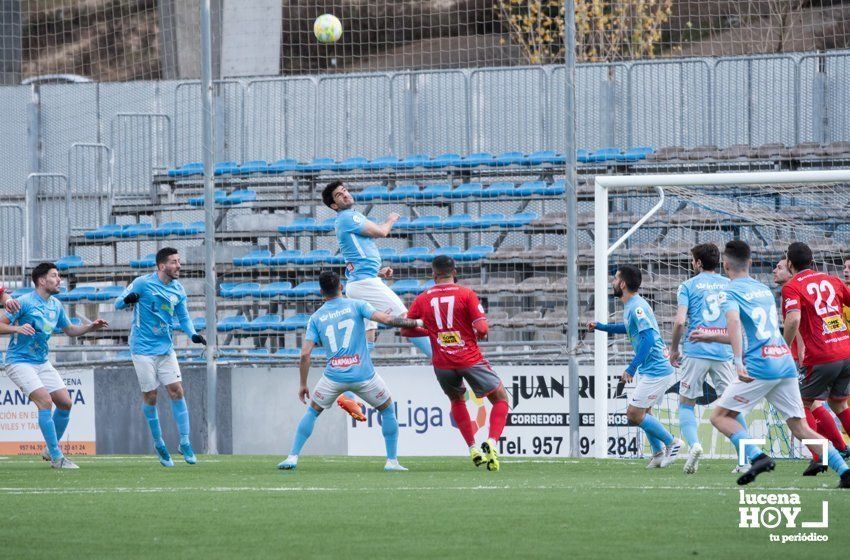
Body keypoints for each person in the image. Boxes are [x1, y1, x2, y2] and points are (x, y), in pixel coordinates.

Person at [695, 240, 849, 487]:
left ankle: (758, 457)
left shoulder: (729, 292)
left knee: (720, 417)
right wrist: (711, 335)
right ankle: (844, 470)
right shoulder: (763, 290)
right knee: (800, 427)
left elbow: (734, 324)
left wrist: (737, 361)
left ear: (725, 265)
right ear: (751, 263)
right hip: (784, 361)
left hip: (760, 365)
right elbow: (753, 331)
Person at [277, 271, 424, 472]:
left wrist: (303, 384)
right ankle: (392, 461)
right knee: (387, 410)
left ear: (321, 292)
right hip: (364, 375)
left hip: (333, 377)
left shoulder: (316, 317)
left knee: (312, 412)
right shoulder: (357, 304)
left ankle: (292, 457)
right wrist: (416, 322)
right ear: (341, 287)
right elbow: (387, 320)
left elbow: (305, 354)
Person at [399, 255, 510, 471]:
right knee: (500, 398)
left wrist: (431, 330)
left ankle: (472, 447)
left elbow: (405, 329)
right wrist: (473, 332)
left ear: (433, 274)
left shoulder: (423, 298)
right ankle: (492, 442)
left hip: (442, 362)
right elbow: (483, 329)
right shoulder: (466, 294)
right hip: (469, 358)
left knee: (457, 400)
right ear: (455, 272)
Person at [0, 262, 108, 469]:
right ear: (41, 280)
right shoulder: (24, 302)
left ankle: (50, 449)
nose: (59, 280)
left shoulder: (55, 305)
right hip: (19, 362)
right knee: (45, 401)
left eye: (59, 276)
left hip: (41, 362)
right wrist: (17, 328)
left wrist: (90, 327)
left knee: (65, 403)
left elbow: (69, 330)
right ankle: (57, 458)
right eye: (54, 276)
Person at [115, 247, 207, 467]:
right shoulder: (142, 283)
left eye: (179, 261)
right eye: (174, 262)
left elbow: (183, 317)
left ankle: (184, 441)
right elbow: (118, 303)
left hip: (165, 349)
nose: (179, 266)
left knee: (177, 390)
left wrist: (193, 334)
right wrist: (129, 299)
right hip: (142, 349)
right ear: (161, 266)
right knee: (152, 396)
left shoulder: (178, 290)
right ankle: (159, 443)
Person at [588, 264, 683, 468]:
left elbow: (648, 339)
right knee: (644, 412)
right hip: (654, 368)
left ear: (622, 283)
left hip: (657, 369)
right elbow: (629, 327)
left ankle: (672, 442)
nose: (613, 282)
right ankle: (657, 453)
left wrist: (631, 368)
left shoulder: (637, 306)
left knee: (633, 413)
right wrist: (601, 327)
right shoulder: (632, 304)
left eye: (615, 279)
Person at [670, 243, 743, 475]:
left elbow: (680, 321)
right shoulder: (729, 285)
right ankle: (746, 458)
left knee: (686, 403)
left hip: (696, 350)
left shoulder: (688, 286)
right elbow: (736, 320)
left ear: (699, 262)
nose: (692, 263)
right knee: (732, 406)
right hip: (723, 351)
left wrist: (673, 349)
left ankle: (695, 445)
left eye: (693, 260)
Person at [780, 242, 850, 473]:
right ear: (812, 260)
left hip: (822, 355)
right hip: (845, 350)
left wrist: (783, 347)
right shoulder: (833, 280)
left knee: (801, 405)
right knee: (838, 403)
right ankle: (838, 448)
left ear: (790, 263)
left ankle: (820, 455)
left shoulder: (792, 287)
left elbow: (793, 319)